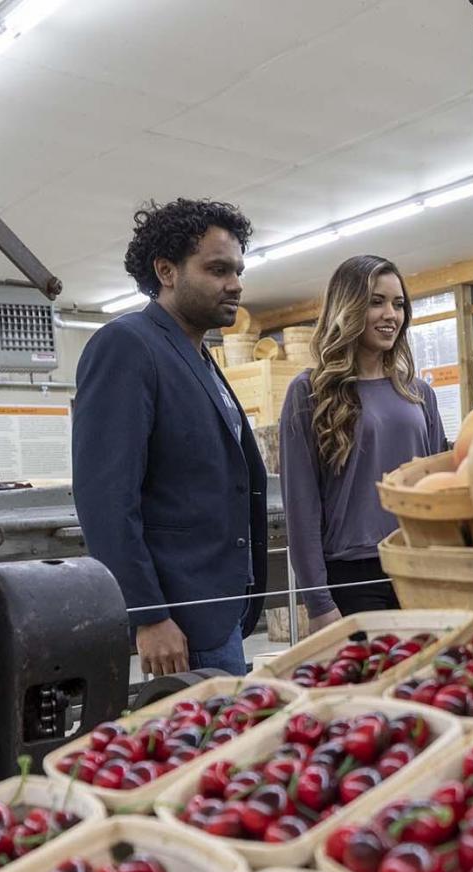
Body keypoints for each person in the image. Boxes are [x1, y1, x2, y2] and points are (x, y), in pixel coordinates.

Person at [73, 198, 269, 676]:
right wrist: (149, 614)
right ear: (166, 270)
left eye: (238, 270)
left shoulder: (198, 357)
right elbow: (106, 497)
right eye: (218, 269)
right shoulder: (127, 345)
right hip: (179, 618)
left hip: (221, 610)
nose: (236, 284)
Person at [278, 254, 447, 629]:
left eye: (398, 304)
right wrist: (318, 602)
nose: (391, 314)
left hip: (419, 567)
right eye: (376, 301)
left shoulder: (418, 392)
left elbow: (439, 489)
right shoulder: (309, 392)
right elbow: (301, 507)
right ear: (348, 307)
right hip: (353, 578)